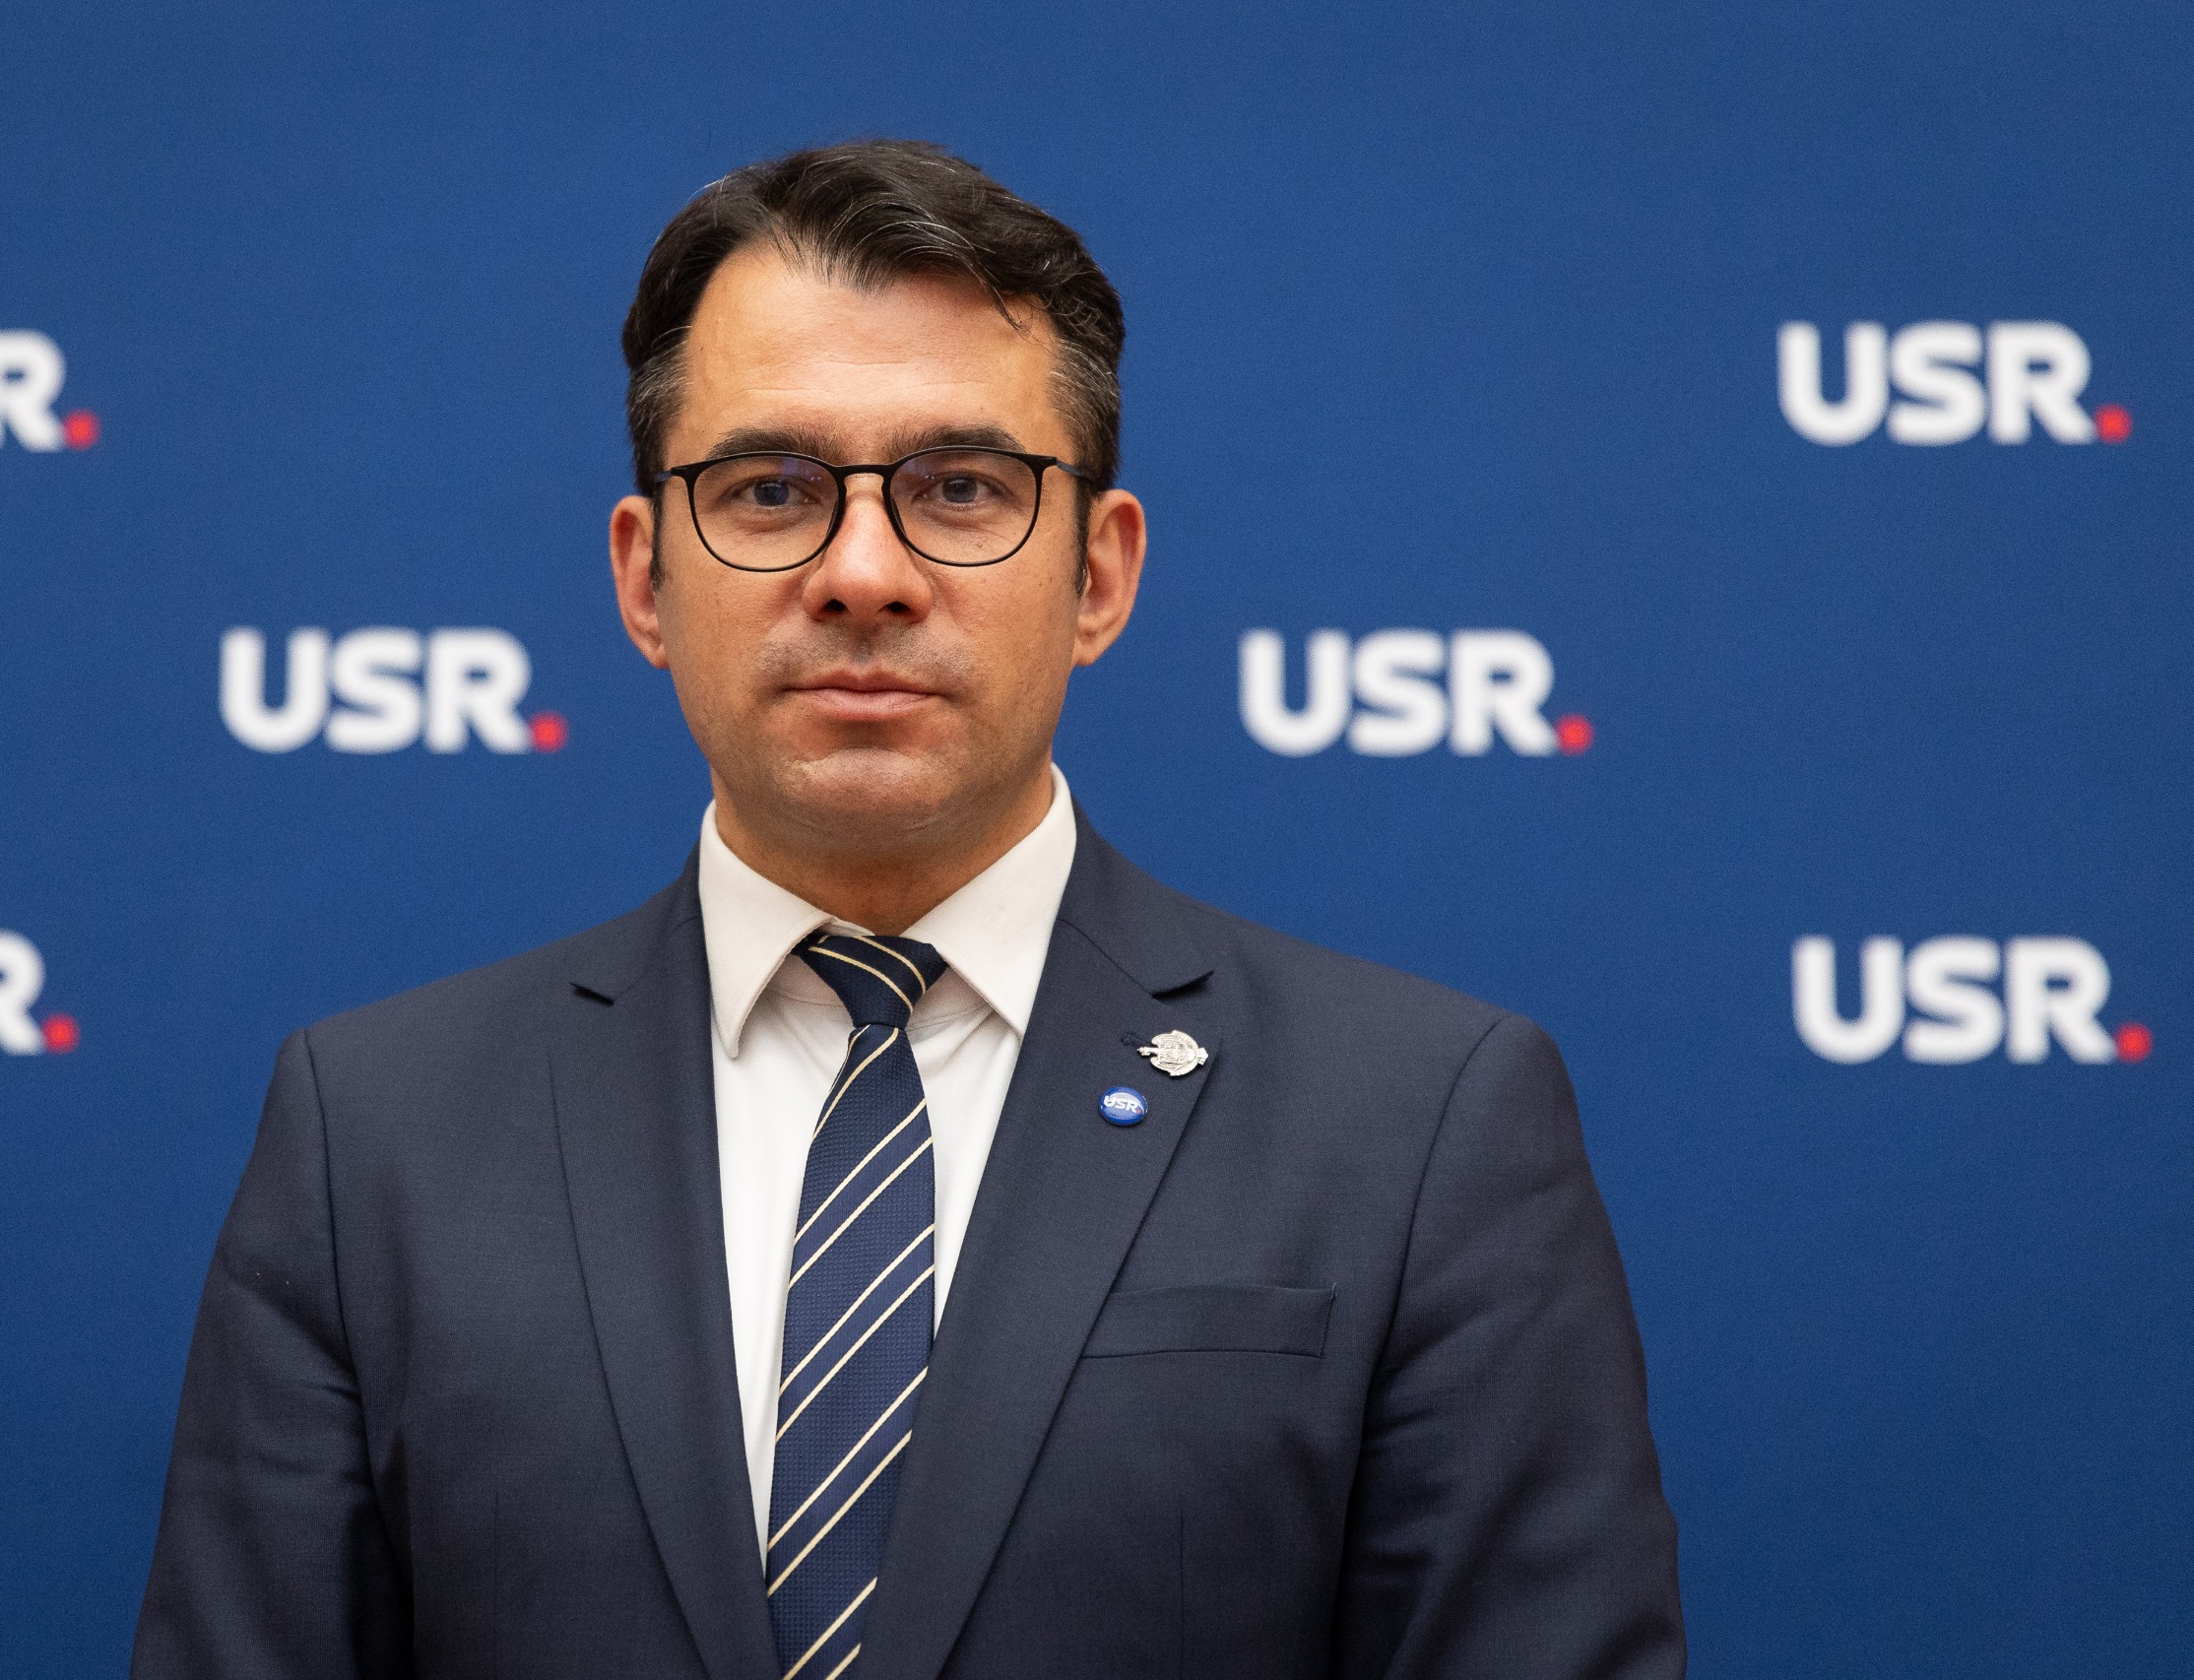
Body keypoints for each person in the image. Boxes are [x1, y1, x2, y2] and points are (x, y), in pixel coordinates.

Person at [131, 139, 1684, 1680]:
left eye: (960, 488)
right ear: (646, 579)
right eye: (769, 489)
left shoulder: (1421, 1124)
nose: (863, 572)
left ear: (1098, 575)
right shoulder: (374, 1137)